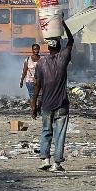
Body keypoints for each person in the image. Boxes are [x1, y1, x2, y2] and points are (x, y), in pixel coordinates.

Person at [31, 21, 74, 172]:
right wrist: (62, 24)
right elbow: (71, 40)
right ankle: (57, 164)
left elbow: (37, 86)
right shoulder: (63, 59)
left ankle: (45, 160)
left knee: (46, 131)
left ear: (48, 48)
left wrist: (34, 104)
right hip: (61, 104)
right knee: (60, 134)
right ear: (59, 47)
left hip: (46, 105)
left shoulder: (41, 63)